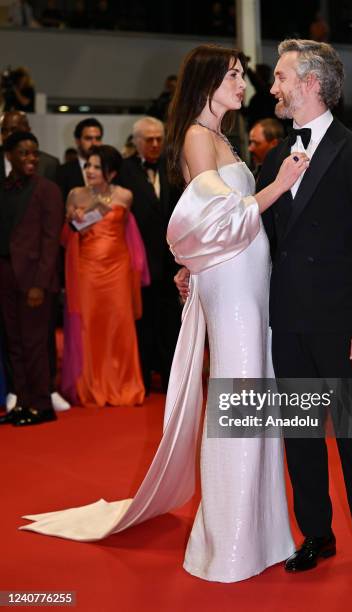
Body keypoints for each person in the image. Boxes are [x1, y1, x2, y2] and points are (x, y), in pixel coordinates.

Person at [20, 44, 307, 584]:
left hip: (245, 282)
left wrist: (194, 268)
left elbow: (203, 230)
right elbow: (216, 219)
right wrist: (278, 185)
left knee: (254, 396)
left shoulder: (220, 137)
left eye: (242, 75)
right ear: (208, 83)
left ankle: (262, 532)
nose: (244, 84)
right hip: (235, 288)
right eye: (235, 75)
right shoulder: (200, 139)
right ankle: (230, 541)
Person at [256, 39, 352, 580]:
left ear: (310, 84)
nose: (274, 87)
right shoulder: (273, 157)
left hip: (343, 327)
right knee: (301, 437)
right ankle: (316, 532)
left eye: (281, 76)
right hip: (289, 323)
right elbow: (262, 238)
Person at [62, 145, 148, 406]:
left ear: (110, 172)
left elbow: (128, 232)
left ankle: (122, 382)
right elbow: (65, 238)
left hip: (117, 269)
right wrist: (71, 220)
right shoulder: (75, 195)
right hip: (87, 269)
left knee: (119, 324)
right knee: (89, 325)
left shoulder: (125, 196)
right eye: (88, 165)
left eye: (97, 166)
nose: (90, 171)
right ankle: (90, 384)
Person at [0, 110, 68, 413]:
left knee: (35, 344)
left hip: (35, 281)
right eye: (23, 153)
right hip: (5, 275)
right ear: (9, 155)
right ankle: (22, 403)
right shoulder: (4, 188)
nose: (31, 158)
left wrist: (40, 284)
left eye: (33, 153)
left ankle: (40, 405)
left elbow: (50, 242)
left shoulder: (48, 190)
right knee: (14, 343)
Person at [118, 117, 181, 393]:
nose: (156, 144)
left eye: (159, 138)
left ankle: (171, 380)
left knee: (171, 325)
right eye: (149, 139)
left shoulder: (174, 167)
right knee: (141, 323)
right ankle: (140, 378)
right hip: (138, 262)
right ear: (136, 142)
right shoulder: (123, 170)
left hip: (171, 261)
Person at [1, 111, 60, 184]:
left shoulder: (48, 164)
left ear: (28, 130)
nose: (8, 135)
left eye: (14, 130)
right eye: (4, 131)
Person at [57, 117, 103, 200]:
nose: (94, 143)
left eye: (98, 138)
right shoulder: (63, 172)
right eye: (88, 138)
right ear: (77, 141)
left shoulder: (110, 169)